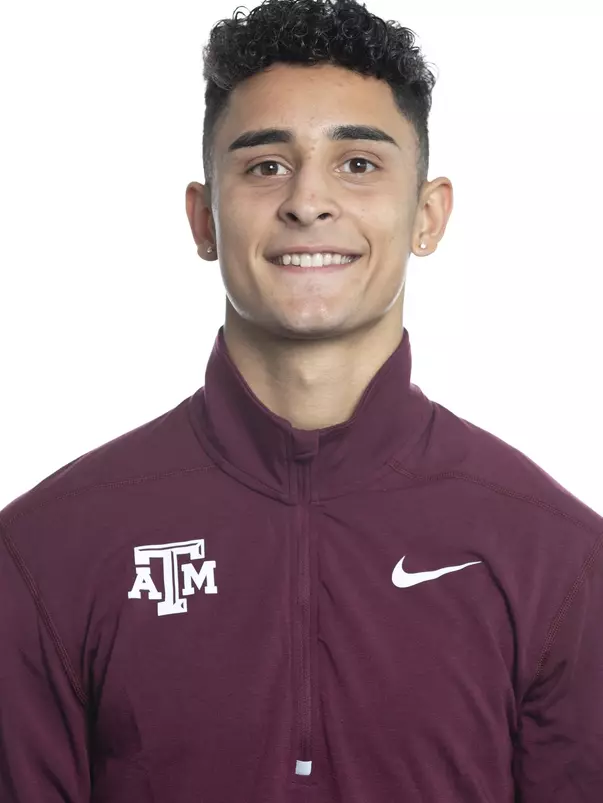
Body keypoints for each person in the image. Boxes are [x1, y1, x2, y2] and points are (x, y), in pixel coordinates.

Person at [1, 0, 601, 800]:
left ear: (427, 216)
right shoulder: (47, 549)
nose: (307, 202)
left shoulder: (556, 554)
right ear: (202, 219)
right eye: (264, 165)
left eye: (357, 163)